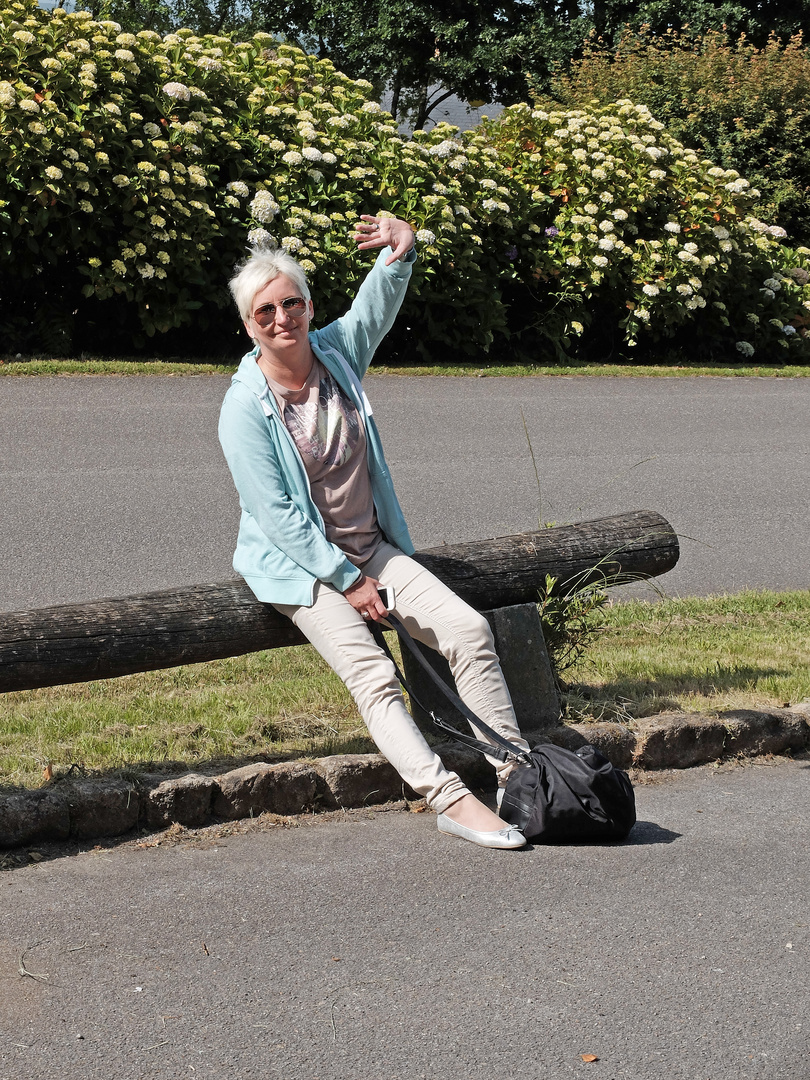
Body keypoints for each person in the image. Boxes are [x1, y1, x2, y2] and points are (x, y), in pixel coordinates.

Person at [218, 213, 530, 849]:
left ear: (307, 305)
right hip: (301, 570)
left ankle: (517, 776)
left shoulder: (335, 355)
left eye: (292, 303)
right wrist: (347, 580)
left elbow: (374, 307)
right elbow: (277, 514)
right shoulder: (243, 407)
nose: (283, 319)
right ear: (249, 325)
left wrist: (401, 249)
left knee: (468, 630)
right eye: (265, 312)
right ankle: (449, 800)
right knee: (374, 675)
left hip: (372, 548)